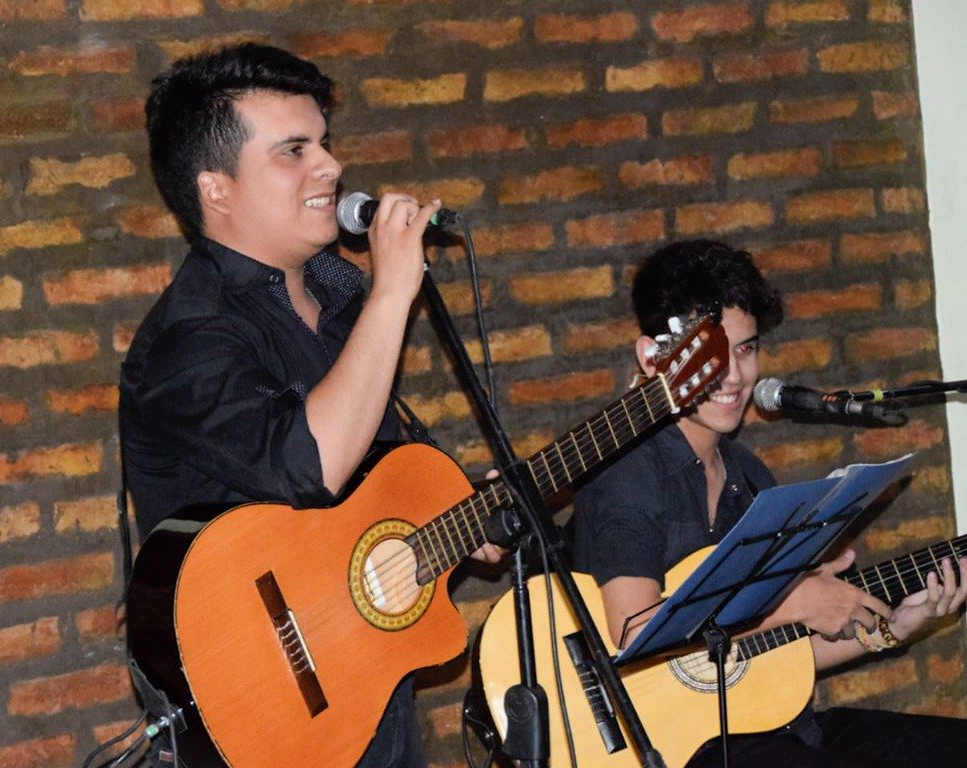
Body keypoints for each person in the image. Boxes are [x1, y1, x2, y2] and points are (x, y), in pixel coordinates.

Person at [119, 43, 500, 768]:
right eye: (294, 151)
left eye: (324, 143)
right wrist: (394, 291)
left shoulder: (338, 300)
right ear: (217, 190)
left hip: (365, 691)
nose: (329, 166)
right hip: (270, 723)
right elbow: (309, 467)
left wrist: (453, 522)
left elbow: (355, 496)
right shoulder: (187, 341)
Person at [571, 239, 967, 767]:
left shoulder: (751, 479)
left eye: (745, 350)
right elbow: (636, 635)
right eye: (711, 355)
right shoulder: (627, 472)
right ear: (652, 357)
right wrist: (793, 603)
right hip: (683, 750)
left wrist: (895, 627)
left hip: (776, 731)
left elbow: (782, 650)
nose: (734, 377)